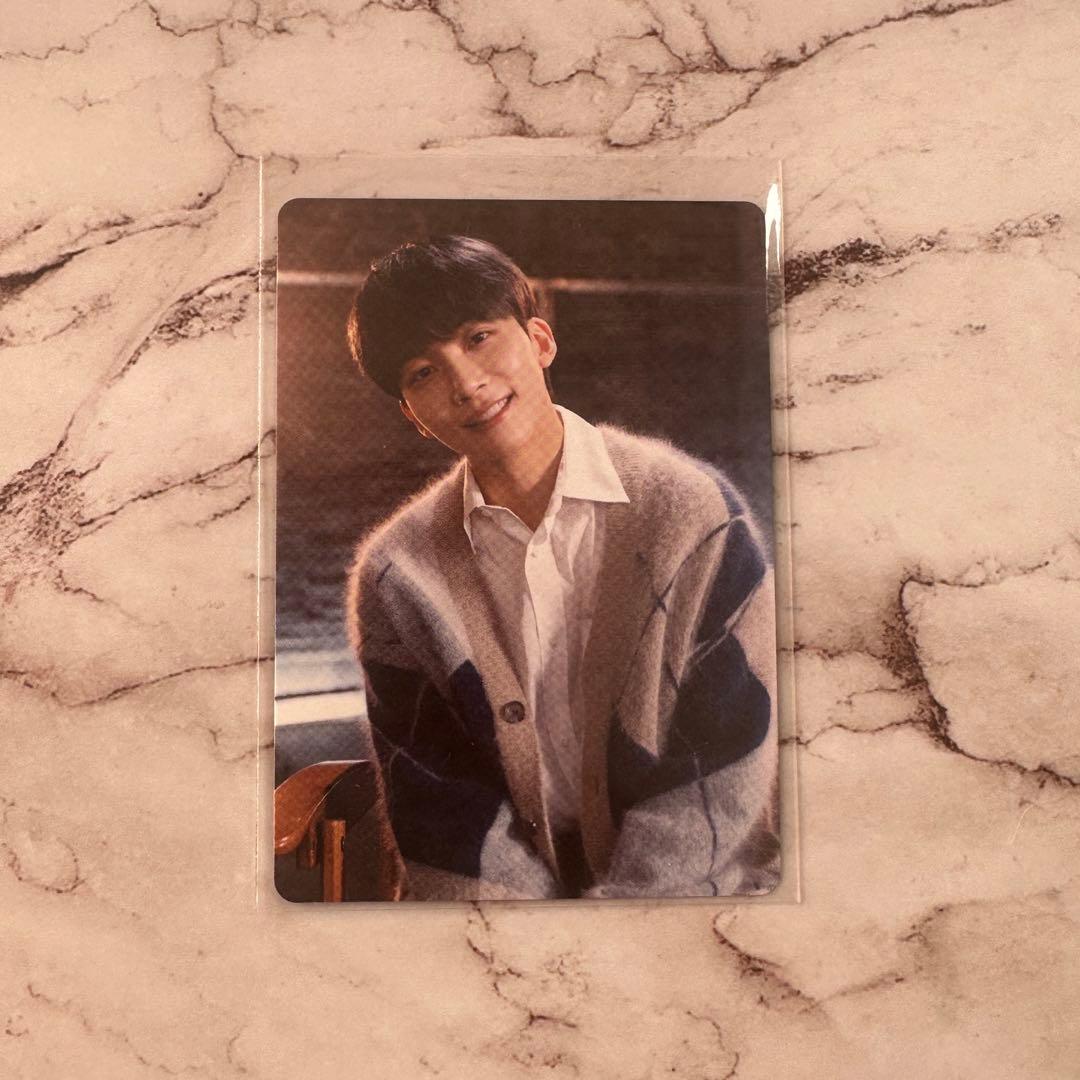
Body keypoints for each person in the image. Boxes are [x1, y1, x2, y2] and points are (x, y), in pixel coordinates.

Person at [345, 235, 779, 900]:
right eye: (423, 373)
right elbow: (439, 806)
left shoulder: (693, 512)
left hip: (692, 899)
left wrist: (613, 933)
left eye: (479, 338)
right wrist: (522, 947)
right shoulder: (396, 574)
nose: (466, 383)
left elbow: (721, 770)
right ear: (413, 416)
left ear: (541, 341)